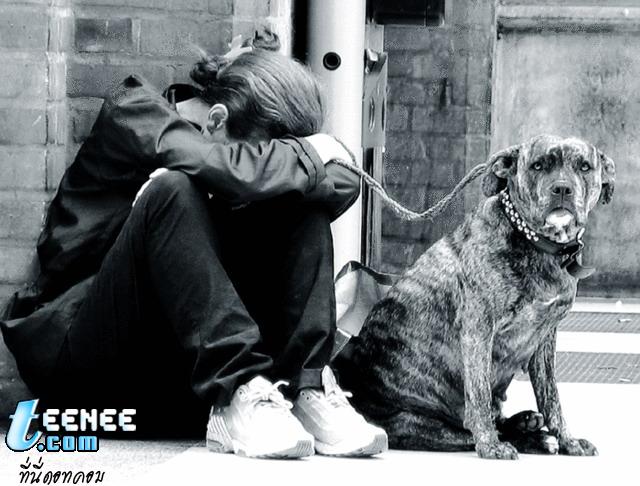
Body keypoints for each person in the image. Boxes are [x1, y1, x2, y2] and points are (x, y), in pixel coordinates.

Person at [1, 29, 387, 458]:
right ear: (216, 121)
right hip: (84, 370)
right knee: (172, 189)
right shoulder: (133, 112)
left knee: (301, 204)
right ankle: (237, 387)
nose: (254, 173)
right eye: (254, 157)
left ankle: (305, 388)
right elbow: (233, 172)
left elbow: (342, 182)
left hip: (181, 377)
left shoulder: (224, 141)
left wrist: (295, 170)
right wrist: (314, 154)